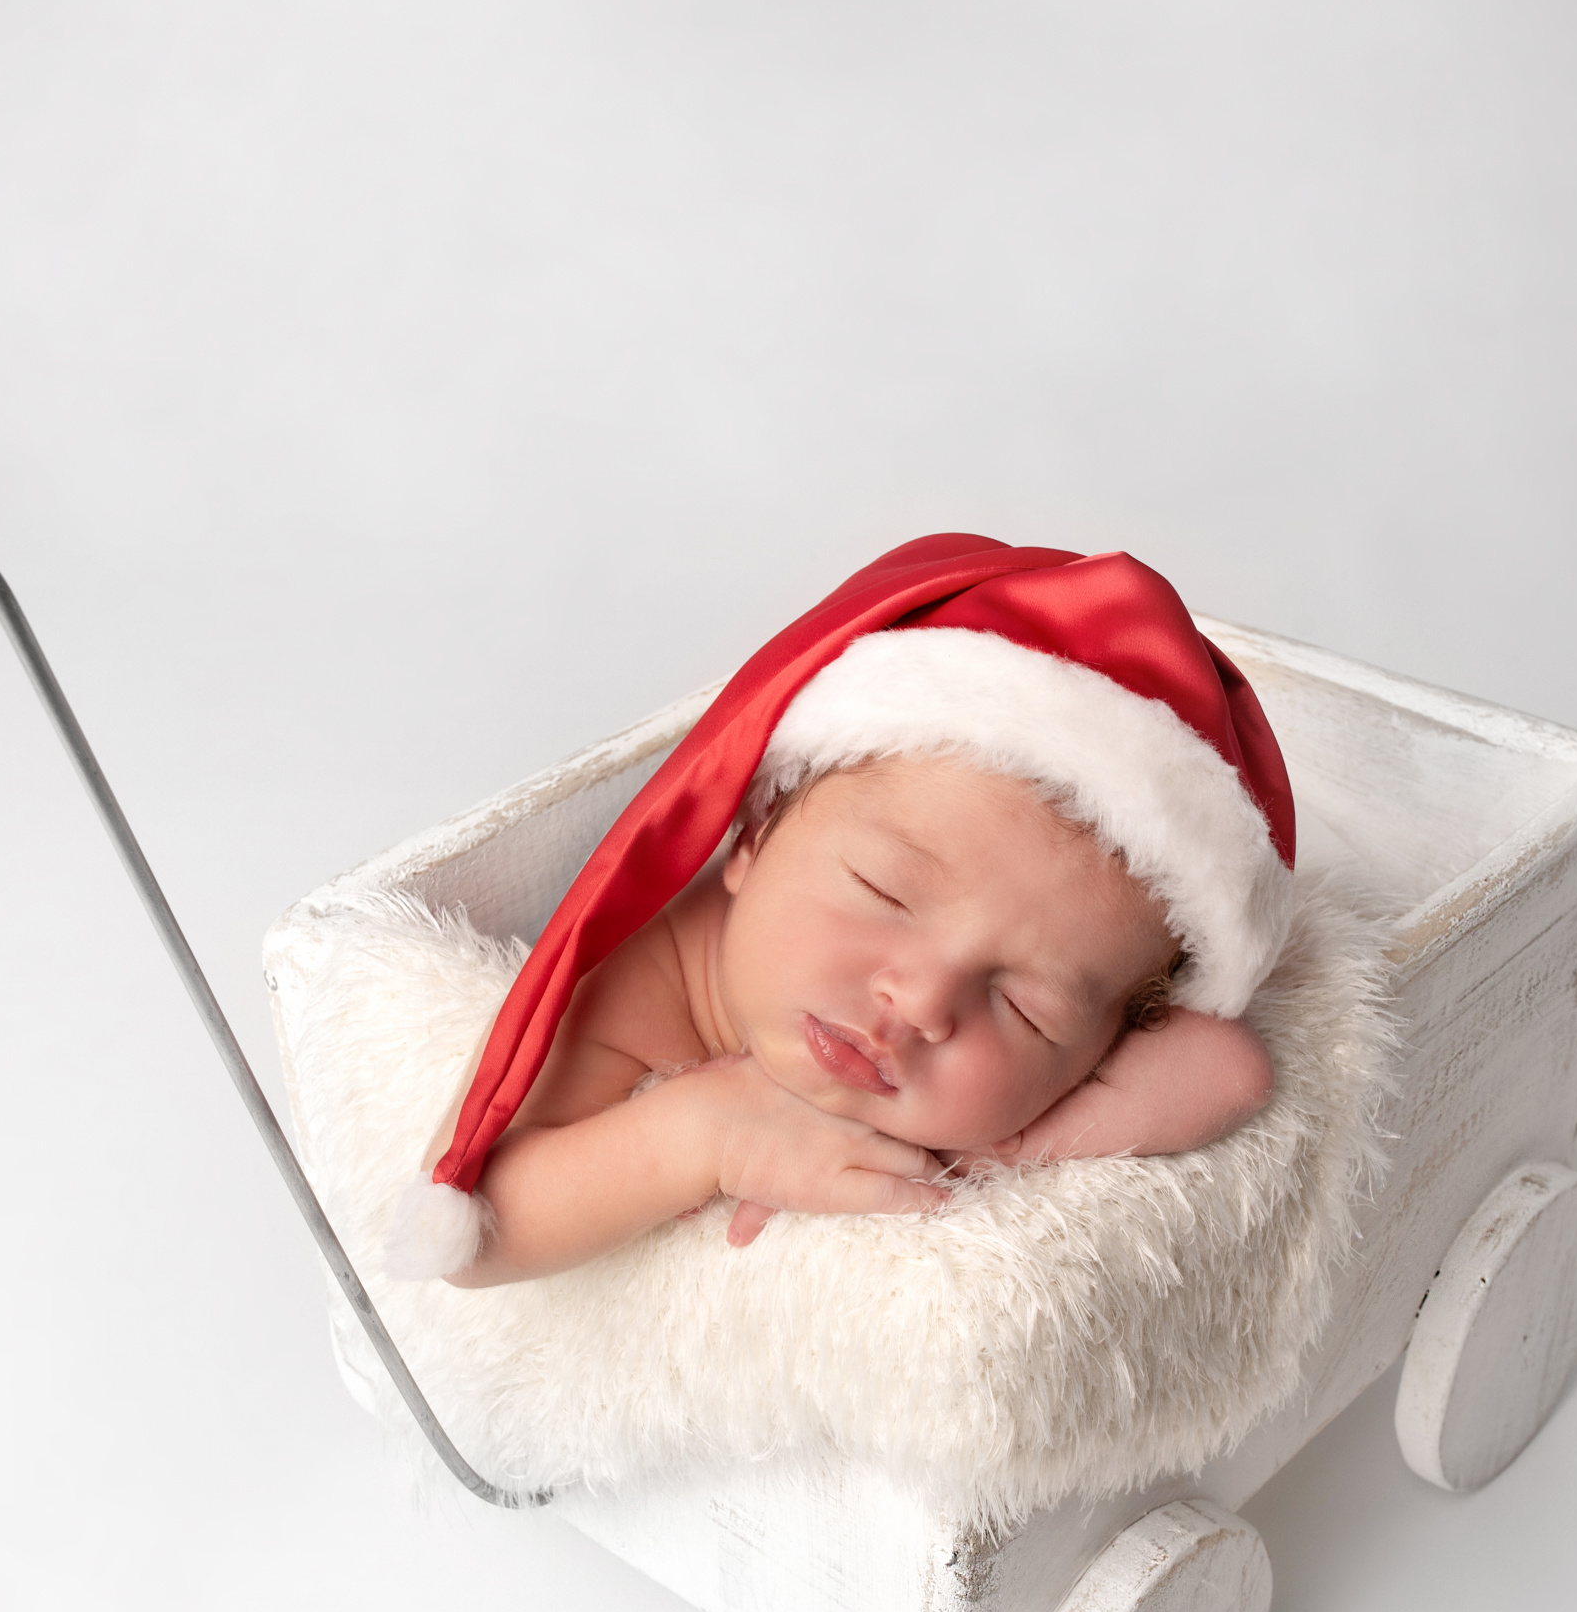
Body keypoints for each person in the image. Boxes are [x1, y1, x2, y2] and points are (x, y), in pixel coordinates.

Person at [396, 533, 1302, 1289]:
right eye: (886, 894)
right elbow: (478, 1225)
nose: (921, 1000)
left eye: (1027, 1008)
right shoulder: (635, 981)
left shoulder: (1015, 1022)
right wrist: (708, 1131)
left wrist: (987, 1147)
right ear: (754, 833)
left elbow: (1228, 1072)